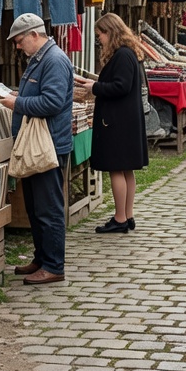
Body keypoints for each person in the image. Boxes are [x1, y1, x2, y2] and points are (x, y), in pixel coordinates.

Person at [1, 13, 74, 284]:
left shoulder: (53, 60)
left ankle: (54, 266)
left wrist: (16, 104)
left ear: (34, 35)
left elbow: (52, 103)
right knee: (35, 207)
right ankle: (42, 258)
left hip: (48, 147)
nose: (18, 47)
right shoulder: (41, 59)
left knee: (48, 208)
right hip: (38, 146)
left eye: (20, 41)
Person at [75, 12, 148, 234]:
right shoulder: (127, 53)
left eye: (100, 35)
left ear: (110, 32)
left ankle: (120, 218)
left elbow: (121, 86)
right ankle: (127, 214)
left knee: (117, 169)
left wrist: (94, 88)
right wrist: (93, 82)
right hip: (125, 120)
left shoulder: (123, 55)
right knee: (125, 169)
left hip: (118, 122)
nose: (99, 40)